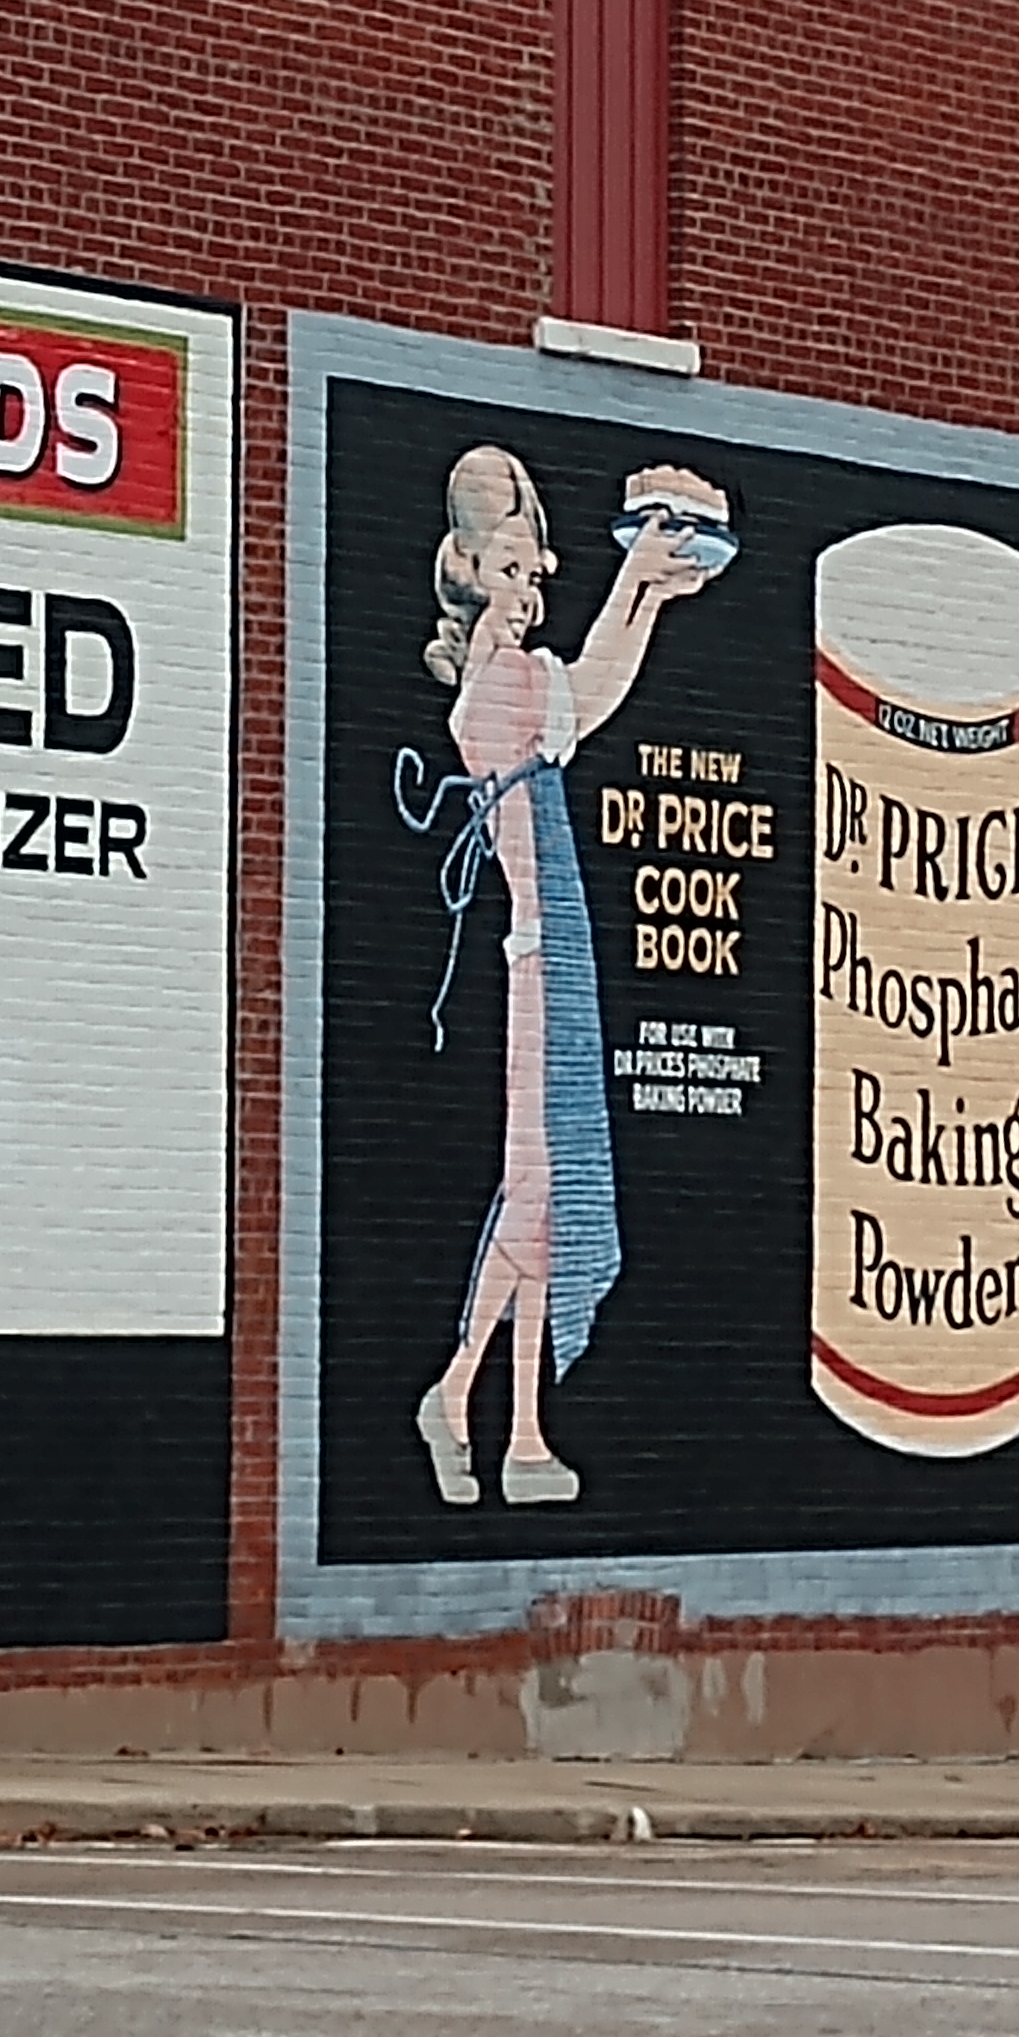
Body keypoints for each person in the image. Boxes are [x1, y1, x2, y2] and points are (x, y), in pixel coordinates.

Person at [401, 446, 715, 1508]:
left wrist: (644, 588)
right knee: (540, 1182)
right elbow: (596, 688)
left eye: (540, 574)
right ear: (473, 567)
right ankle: (457, 1394)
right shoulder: (497, 689)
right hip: (539, 958)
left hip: (558, 955)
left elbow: (593, 680)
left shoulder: (517, 680)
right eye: (519, 570)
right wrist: (639, 588)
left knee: (557, 1193)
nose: (534, 589)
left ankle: (520, 1426)